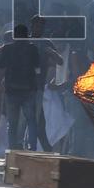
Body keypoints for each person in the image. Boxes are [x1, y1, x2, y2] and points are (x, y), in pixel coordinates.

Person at [0, 24, 41, 150]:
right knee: (31, 120)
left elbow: (1, 66)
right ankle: (32, 147)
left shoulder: (7, 48)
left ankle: (12, 149)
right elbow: (37, 68)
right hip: (29, 89)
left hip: (11, 89)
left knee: (12, 123)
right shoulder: (32, 48)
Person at [29, 15, 63, 151]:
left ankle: (42, 147)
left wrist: (51, 54)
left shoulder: (46, 43)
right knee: (27, 120)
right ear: (31, 26)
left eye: (41, 26)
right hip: (22, 86)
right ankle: (28, 147)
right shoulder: (24, 40)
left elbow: (60, 61)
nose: (39, 28)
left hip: (38, 87)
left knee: (37, 119)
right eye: (36, 25)